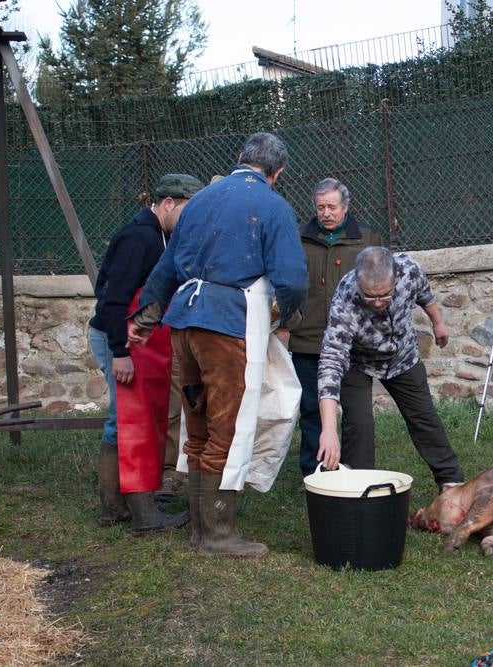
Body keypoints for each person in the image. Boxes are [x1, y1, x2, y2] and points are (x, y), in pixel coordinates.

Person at [128, 132, 308, 558]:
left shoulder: (203, 199)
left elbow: (168, 266)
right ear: (276, 173)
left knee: (199, 421)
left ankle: (200, 524)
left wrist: (144, 317)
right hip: (228, 326)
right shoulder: (272, 206)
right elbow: (292, 279)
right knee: (228, 424)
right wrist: (289, 316)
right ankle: (217, 534)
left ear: (239, 159)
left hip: (185, 324)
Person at [88, 173, 202, 534]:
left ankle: (120, 503)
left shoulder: (158, 235)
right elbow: (111, 298)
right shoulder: (141, 237)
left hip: (133, 340)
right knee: (127, 420)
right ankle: (136, 511)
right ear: (168, 203)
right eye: (187, 210)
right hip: (121, 338)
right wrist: (120, 351)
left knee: (127, 419)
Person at [315, 246, 464, 490]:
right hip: (358, 362)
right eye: (369, 296)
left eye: (384, 295)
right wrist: (329, 431)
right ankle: (358, 489)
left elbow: (424, 294)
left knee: (424, 417)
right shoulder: (345, 298)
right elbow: (331, 361)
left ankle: (451, 482)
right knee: (359, 426)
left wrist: (438, 323)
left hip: (403, 356)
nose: (376, 303)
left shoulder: (409, 269)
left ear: (395, 277)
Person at [288, 178, 383, 477]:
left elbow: (381, 281)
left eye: (332, 207)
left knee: (356, 413)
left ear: (346, 207)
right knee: (312, 409)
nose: (326, 213)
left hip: (353, 343)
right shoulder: (298, 238)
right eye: (320, 207)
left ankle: (353, 470)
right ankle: (315, 471)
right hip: (308, 339)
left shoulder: (367, 238)